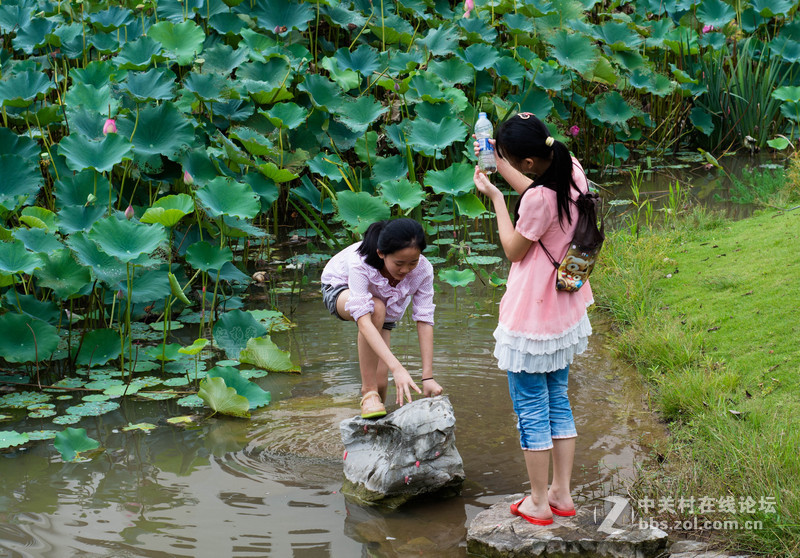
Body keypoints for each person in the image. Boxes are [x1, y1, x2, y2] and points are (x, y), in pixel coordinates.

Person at [472, 112, 594, 525]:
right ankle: (561, 493)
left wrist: (495, 197)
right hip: (563, 308)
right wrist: (498, 162)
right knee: (558, 398)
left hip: (533, 314)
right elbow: (539, 193)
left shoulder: (539, 200)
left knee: (530, 409)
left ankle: (539, 503)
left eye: (510, 158)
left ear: (527, 162)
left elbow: (513, 248)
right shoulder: (569, 166)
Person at [320, 218, 443, 418]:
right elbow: (364, 321)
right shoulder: (360, 262)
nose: (405, 270)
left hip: (385, 307)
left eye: (413, 262)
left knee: (381, 382)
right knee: (375, 308)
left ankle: (375, 423)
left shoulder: (423, 270)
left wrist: (427, 377)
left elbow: (425, 319)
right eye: (399, 263)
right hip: (341, 289)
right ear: (381, 253)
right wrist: (398, 368)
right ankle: (368, 393)